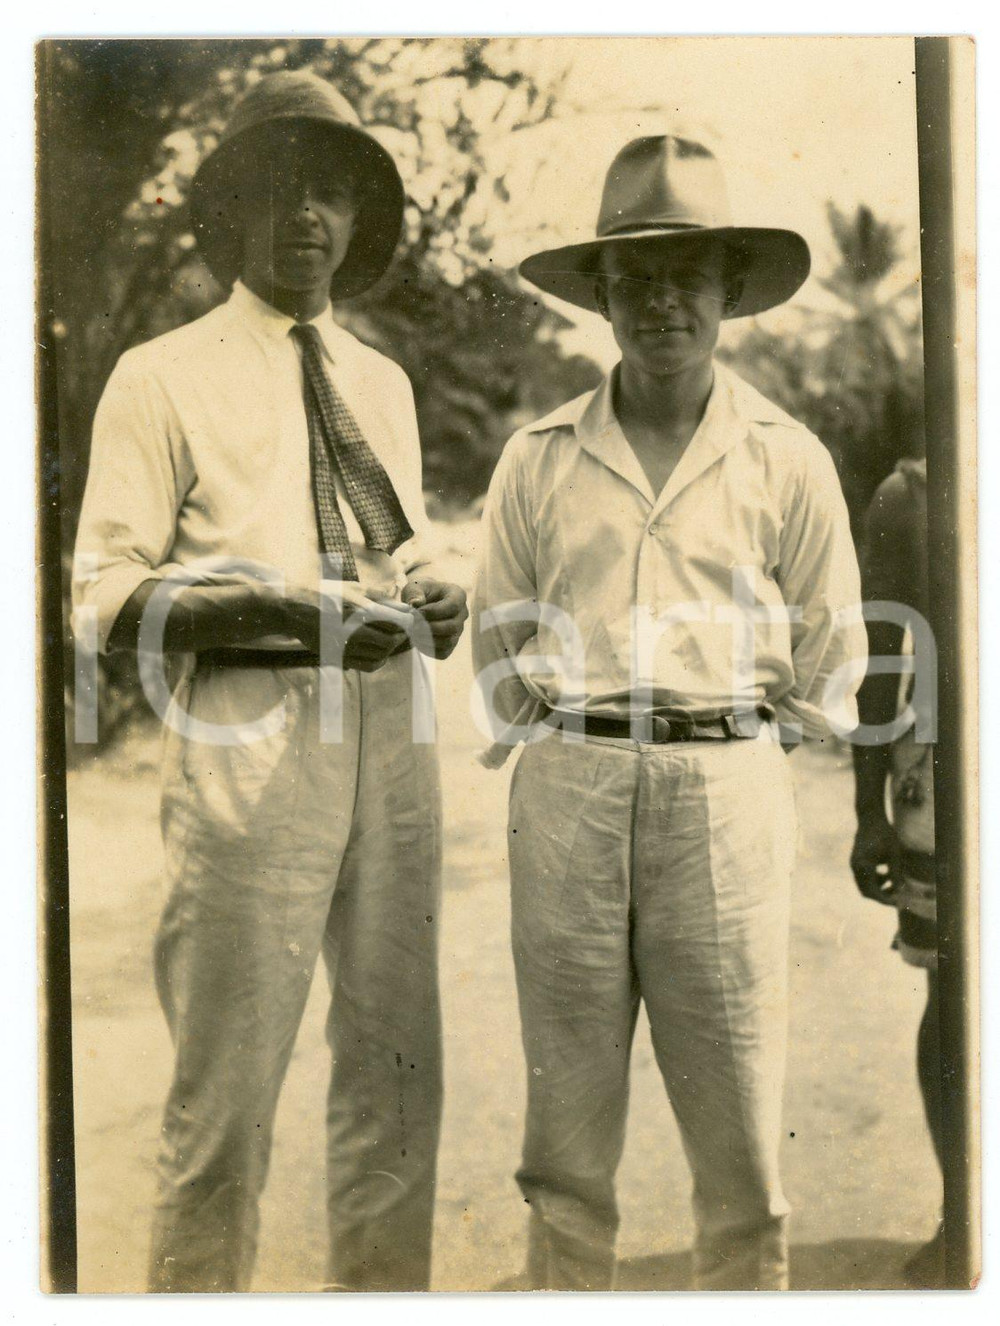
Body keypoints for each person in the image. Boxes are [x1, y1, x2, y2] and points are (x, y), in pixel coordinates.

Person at [72, 70, 468, 1293]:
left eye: (335, 194)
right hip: (250, 737)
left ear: (358, 222)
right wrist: (276, 606)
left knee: (398, 1077)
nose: (309, 217)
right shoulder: (161, 373)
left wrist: (437, 587)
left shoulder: (381, 383)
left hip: (392, 739)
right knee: (226, 1101)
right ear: (236, 212)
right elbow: (100, 598)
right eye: (284, 190)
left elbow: (394, 544)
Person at [472, 135, 867, 1290]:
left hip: (723, 795)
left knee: (740, 1145)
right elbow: (499, 645)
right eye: (634, 276)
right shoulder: (537, 458)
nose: (661, 300)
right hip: (570, 794)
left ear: (727, 292)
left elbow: (830, 648)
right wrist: (583, 730)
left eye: (687, 273)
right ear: (599, 295)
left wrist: (732, 736)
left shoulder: (786, 459)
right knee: (565, 1147)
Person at [850, 457, 942, 1285]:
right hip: (947, 776)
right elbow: (879, 658)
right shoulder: (911, 492)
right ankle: (963, 1209)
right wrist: (865, 808)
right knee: (952, 995)